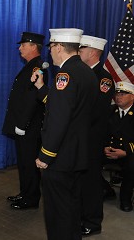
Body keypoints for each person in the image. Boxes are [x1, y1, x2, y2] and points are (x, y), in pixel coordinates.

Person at [32, 28, 98, 240]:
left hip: (60, 157)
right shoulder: (86, 71)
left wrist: (46, 155)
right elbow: (66, 107)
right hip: (77, 154)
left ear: (59, 47)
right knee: (70, 208)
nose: (49, 52)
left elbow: (59, 118)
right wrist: (42, 88)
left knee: (58, 213)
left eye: (51, 47)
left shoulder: (65, 74)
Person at [2, 31, 48, 209]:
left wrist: (22, 125)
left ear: (33, 47)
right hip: (24, 125)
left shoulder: (38, 68)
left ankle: (31, 198)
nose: (20, 48)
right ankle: (25, 193)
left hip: (29, 126)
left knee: (29, 163)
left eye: (23, 45)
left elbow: (32, 99)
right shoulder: (30, 66)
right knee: (23, 162)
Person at [78, 35, 115, 236]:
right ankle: (80, 215)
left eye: (81, 49)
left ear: (92, 52)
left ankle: (92, 222)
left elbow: (96, 111)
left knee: (91, 181)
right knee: (80, 181)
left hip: (92, 138)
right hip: (80, 137)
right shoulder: (82, 74)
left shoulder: (104, 79)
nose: (78, 52)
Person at [104, 81, 134, 212]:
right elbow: (101, 132)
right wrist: (103, 146)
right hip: (109, 151)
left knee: (132, 166)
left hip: (129, 153)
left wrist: (126, 151)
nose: (118, 97)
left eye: (123, 94)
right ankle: (106, 189)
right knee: (87, 160)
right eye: (117, 94)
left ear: (132, 96)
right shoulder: (110, 110)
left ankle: (125, 199)